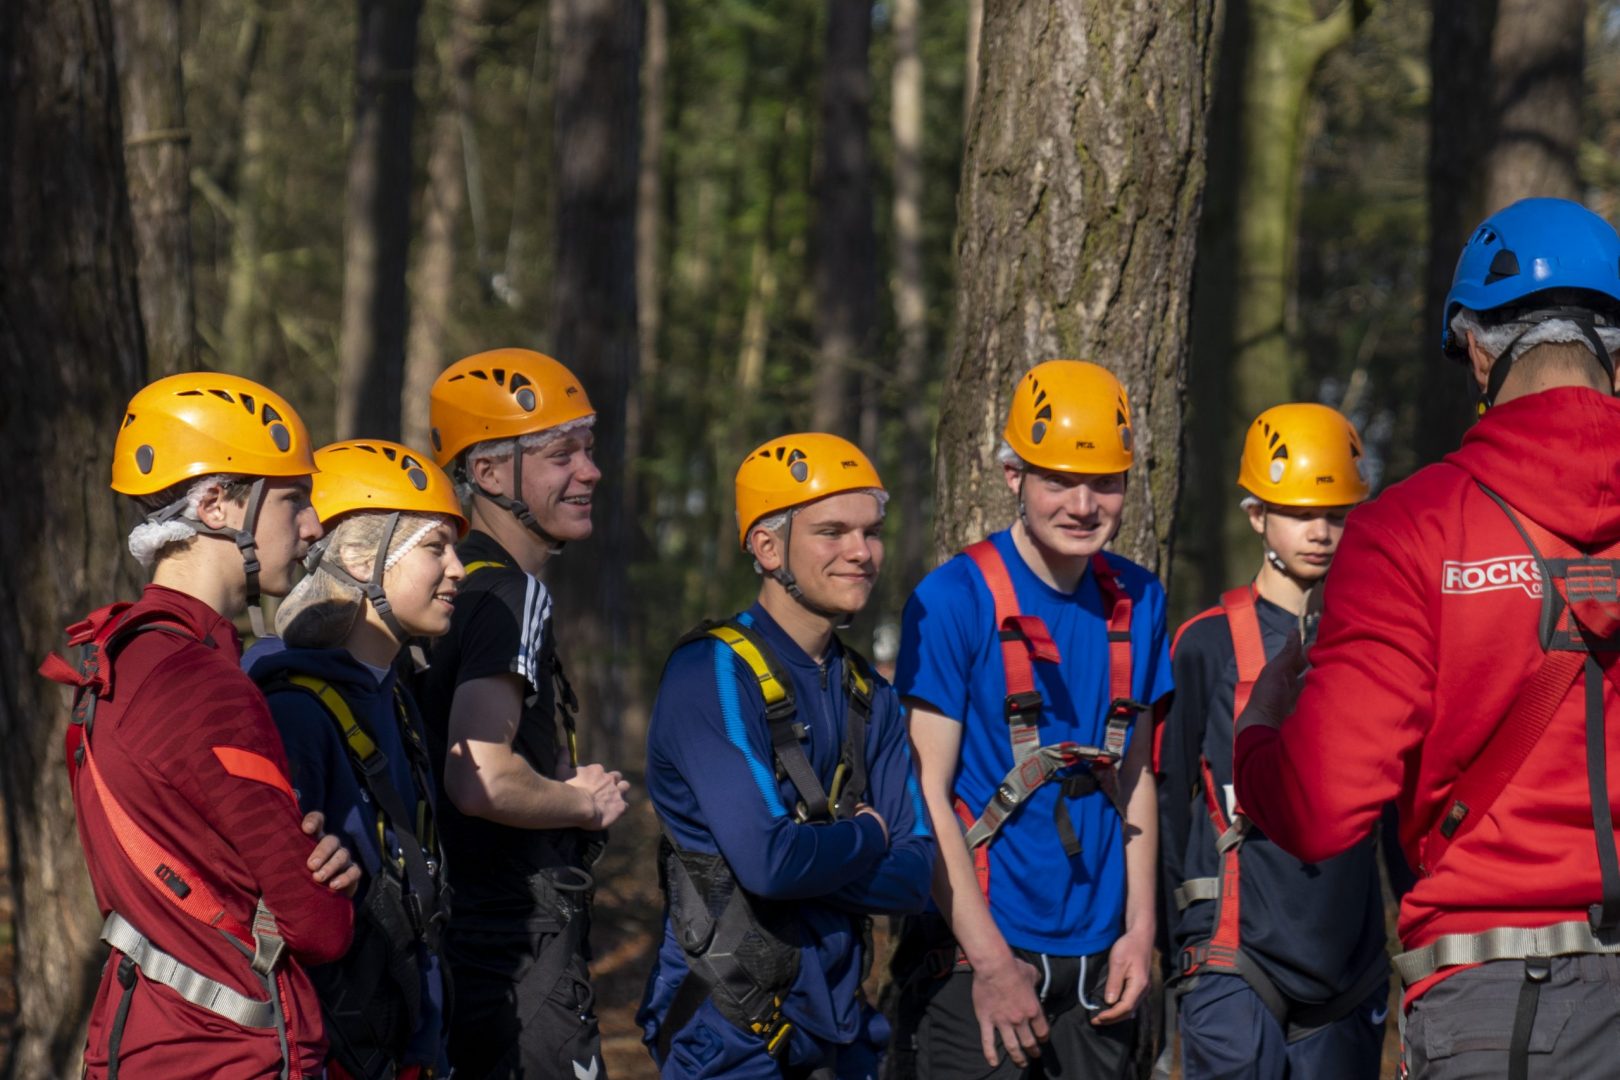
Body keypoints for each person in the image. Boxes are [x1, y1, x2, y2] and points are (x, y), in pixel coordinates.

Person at [1231, 196, 1620, 1079]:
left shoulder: (1411, 530)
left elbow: (1321, 807)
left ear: (1477, 350)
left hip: (1501, 1008)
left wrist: (1257, 735)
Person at [40, 371, 361, 1078]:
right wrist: (329, 880)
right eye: (293, 499)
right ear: (216, 505)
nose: (313, 526)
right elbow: (318, 926)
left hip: (147, 1035)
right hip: (227, 1051)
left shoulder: (122, 658)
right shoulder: (202, 685)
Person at [889, 360, 1172, 1079]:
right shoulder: (952, 600)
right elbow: (926, 794)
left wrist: (1141, 931)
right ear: (1014, 476)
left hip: (1103, 959)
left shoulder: (1140, 600)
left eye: (1104, 483)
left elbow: (1136, 775)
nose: (1083, 505)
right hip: (982, 952)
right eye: (1059, 481)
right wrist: (989, 963)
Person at [638, 432, 935, 1078]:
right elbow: (770, 863)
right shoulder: (711, 673)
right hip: (729, 1036)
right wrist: (868, 836)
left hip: (843, 1034)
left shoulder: (870, 693)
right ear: (767, 548)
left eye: (872, 532)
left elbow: (915, 875)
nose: (861, 552)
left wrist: (811, 856)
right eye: (832, 532)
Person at [417, 347, 630, 1079]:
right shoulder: (511, 593)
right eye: (560, 455)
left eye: (589, 450)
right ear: (487, 472)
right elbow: (480, 777)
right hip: (511, 946)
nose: (589, 472)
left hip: (450, 941)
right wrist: (581, 802)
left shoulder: (446, 587)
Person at [1158, 403, 1388, 1079]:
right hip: (1233, 954)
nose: (1320, 532)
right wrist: (1168, 950)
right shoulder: (1206, 645)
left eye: (1337, 515)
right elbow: (1168, 805)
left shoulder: (1379, 640)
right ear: (1256, 514)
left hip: (1349, 963)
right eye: (1298, 513)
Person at [249, 439, 467, 1079]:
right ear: (357, 557)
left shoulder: (391, 695)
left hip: (406, 1043)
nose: (458, 569)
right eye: (435, 547)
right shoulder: (294, 711)